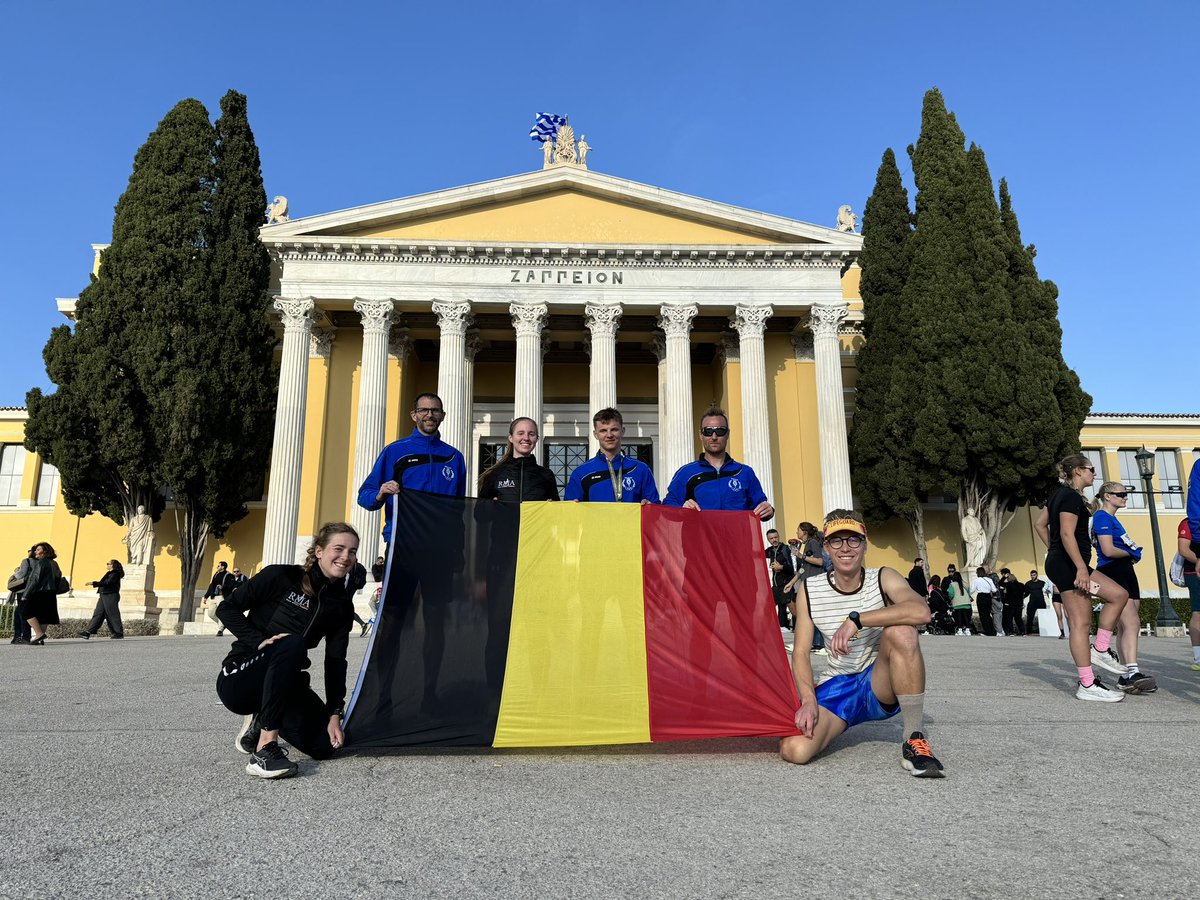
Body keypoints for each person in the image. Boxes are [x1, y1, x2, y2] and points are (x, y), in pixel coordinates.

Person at [779, 509, 945, 777]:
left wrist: (857, 620)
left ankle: (914, 737)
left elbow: (921, 611)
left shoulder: (882, 577)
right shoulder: (810, 590)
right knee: (795, 750)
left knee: (902, 631)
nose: (845, 548)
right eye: (836, 541)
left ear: (865, 544)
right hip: (838, 685)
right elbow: (800, 653)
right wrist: (808, 699)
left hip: (878, 682)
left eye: (853, 540)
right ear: (826, 548)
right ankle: (838, 721)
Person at [215, 522, 366, 779]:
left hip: (284, 683)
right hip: (239, 678)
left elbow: (336, 662)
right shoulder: (280, 576)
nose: (346, 557)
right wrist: (258, 640)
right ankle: (264, 748)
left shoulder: (340, 605)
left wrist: (334, 713)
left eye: (352, 552)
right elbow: (226, 609)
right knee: (292, 643)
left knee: (325, 746)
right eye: (338, 549)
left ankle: (263, 716)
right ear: (319, 551)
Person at [1034, 454, 1131, 701]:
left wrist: (1055, 551)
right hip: (1071, 565)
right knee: (1080, 623)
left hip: (1065, 562)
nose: (1094, 473)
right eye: (1090, 469)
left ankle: (1099, 650)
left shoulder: (1060, 494)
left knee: (1118, 595)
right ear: (1077, 471)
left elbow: (1039, 524)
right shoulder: (1067, 496)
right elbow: (1066, 533)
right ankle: (1088, 684)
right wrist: (1078, 567)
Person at [357, 392, 467, 547]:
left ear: (443, 416)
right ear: (414, 415)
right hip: (402, 540)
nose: (430, 415)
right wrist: (380, 494)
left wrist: (459, 545)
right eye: (424, 410)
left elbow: (459, 507)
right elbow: (364, 497)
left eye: (435, 411)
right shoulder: (394, 451)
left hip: (442, 543)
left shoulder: (455, 457)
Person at [1092, 481, 1156, 693]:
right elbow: (1108, 550)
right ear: (1107, 496)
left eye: (1126, 494)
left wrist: (1131, 554)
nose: (1124, 497)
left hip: (1125, 569)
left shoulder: (1113, 518)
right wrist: (1132, 552)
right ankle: (1132, 671)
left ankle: (1125, 675)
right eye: (1120, 494)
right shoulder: (1101, 517)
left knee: (1128, 624)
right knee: (1132, 622)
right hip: (1113, 569)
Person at [662, 408, 773, 519]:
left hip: (737, 536)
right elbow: (667, 506)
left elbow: (760, 506)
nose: (714, 437)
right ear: (701, 435)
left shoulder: (745, 472)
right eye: (708, 431)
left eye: (720, 431)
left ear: (728, 434)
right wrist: (682, 508)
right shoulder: (686, 473)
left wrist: (768, 510)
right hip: (699, 536)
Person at [566, 407, 658, 503]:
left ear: (622, 431)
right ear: (595, 434)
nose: (609, 435)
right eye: (603, 430)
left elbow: (655, 508)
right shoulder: (581, 473)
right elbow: (568, 511)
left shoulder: (641, 469)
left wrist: (651, 507)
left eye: (614, 429)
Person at [477, 417, 560, 504]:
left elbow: (558, 511)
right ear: (511, 438)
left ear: (537, 439)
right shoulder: (494, 474)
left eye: (531, 434)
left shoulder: (546, 475)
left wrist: (552, 506)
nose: (526, 438)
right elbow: (478, 512)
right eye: (520, 433)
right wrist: (490, 507)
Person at [784, 522, 828, 654]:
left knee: (814, 614)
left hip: (816, 583)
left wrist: (801, 555)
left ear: (804, 531)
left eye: (798, 530)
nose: (797, 533)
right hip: (808, 583)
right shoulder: (808, 544)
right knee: (810, 614)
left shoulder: (813, 542)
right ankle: (814, 643)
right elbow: (804, 568)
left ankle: (819, 644)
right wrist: (792, 582)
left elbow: (820, 561)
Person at [20, 542, 63, 646]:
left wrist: (25, 594)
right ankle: (40, 637)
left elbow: (34, 580)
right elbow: (58, 577)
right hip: (51, 592)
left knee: (25, 610)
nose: (35, 551)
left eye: (38, 549)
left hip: (40, 591)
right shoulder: (54, 563)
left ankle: (39, 634)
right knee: (45, 615)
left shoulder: (41, 563)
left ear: (45, 551)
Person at [78, 560, 125, 639]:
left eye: (108, 564)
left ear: (113, 565)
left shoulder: (115, 574)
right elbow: (105, 582)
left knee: (112, 614)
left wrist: (94, 583)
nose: (107, 565)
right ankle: (88, 632)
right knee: (98, 614)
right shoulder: (110, 573)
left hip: (110, 595)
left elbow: (108, 583)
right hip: (104, 595)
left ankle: (118, 633)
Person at [1177, 516, 1200, 671]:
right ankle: (1198, 657)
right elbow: (1183, 549)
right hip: (1194, 572)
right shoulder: (1188, 522)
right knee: (1198, 613)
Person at [765, 529, 795, 631]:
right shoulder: (770, 551)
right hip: (776, 585)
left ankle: (787, 627)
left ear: (779, 536)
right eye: (771, 538)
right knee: (769, 606)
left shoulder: (786, 549)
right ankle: (774, 628)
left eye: (775, 537)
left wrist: (781, 567)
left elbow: (793, 568)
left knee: (789, 608)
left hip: (787, 583)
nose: (774, 540)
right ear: (768, 540)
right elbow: (757, 553)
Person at [7, 546, 35, 644]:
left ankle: (22, 636)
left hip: (23, 590)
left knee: (21, 613)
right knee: (27, 613)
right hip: (35, 591)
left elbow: (21, 574)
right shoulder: (42, 562)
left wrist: (15, 573)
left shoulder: (26, 561)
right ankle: (21, 636)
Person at [204, 562, 235, 637]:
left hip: (222, 597)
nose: (217, 567)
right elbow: (211, 586)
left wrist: (223, 587)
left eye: (219, 565)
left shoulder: (229, 575)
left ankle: (220, 630)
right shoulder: (216, 574)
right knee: (211, 613)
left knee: (220, 613)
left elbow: (231, 586)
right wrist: (206, 596)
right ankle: (224, 624)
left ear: (223, 567)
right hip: (213, 597)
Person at [971, 567, 999, 637]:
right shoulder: (989, 580)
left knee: (983, 615)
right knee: (987, 614)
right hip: (988, 597)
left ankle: (987, 631)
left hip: (981, 597)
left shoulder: (977, 580)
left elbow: (972, 590)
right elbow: (994, 590)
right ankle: (993, 631)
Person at [997, 568, 1025, 636]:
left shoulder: (1009, 584)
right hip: (1019, 604)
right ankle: (1023, 631)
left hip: (1010, 604)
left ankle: (1011, 632)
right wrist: (1022, 597)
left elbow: (1000, 583)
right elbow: (1026, 592)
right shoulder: (1021, 585)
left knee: (1009, 618)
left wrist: (1004, 577)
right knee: (1018, 619)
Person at [1024, 569, 1048, 636]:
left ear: (1036, 575)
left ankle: (1045, 632)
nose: (1032, 576)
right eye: (1031, 575)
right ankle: (1028, 632)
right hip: (1032, 602)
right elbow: (1026, 593)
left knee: (1044, 617)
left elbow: (1047, 590)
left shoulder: (1042, 583)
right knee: (1030, 617)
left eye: (1034, 575)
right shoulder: (1028, 583)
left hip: (1041, 602)